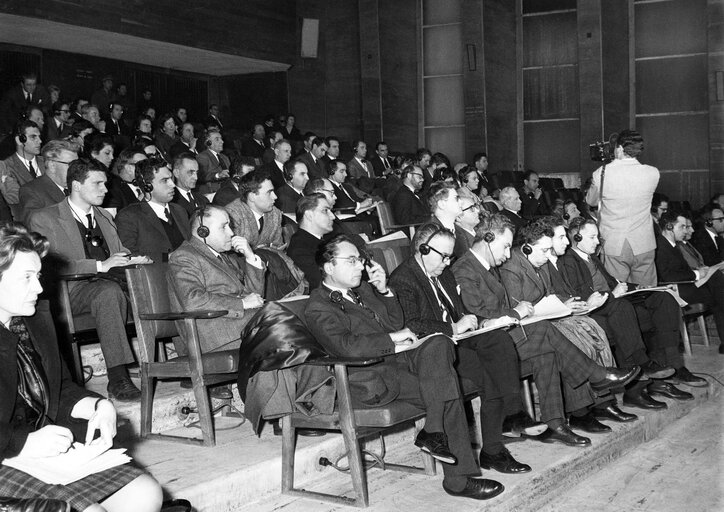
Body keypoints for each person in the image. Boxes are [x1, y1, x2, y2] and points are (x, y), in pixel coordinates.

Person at [305, 234, 505, 500]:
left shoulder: (363, 290)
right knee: (446, 389)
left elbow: (396, 321)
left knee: (438, 342)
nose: (360, 267)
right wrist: (391, 339)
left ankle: (433, 431)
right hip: (368, 378)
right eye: (351, 261)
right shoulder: (317, 305)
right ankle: (457, 478)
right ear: (329, 267)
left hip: (398, 362)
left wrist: (385, 291)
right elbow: (346, 347)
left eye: (360, 260)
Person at [0, 223, 163, 512]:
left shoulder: (33, 320)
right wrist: (20, 443)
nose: (38, 287)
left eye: (37, 276)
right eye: (26, 277)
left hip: (39, 453)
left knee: (146, 493)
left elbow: (58, 388)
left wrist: (99, 406)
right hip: (7, 455)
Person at [452, 214, 638, 440]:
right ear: (489, 238)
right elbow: (480, 314)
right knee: (543, 330)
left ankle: (556, 423)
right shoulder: (465, 268)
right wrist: (515, 312)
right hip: (491, 345)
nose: (509, 254)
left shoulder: (487, 265)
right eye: (506, 246)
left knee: (547, 353)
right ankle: (596, 375)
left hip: (508, 334)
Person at [390, 224, 545, 468]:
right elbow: (412, 324)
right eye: (443, 256)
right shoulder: (403, 279)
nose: (448, 262)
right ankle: (498, 441)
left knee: (498, 339)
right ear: (423, 249)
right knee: (489, 376)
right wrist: (453, 328)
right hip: (431, 352)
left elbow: (460, 313)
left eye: (450, 256)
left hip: (458, 341)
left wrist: (485, 322)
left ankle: (511, 419)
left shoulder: (444, 273)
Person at [29, 158, 151, 400]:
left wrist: (133, 259)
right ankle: (118, 378)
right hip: (70, 291)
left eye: (105, 183)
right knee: (107, 292)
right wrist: (100, 265)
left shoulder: (104, 216)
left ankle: (182, 363)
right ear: (76, 185)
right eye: (98, 184)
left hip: (111, 284)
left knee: (158, 284)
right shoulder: (45, 218)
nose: (106, 190)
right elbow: (48, 265)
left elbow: (119, 250)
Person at [560, 218, 695, 401]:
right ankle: (641, 370)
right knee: (625, 310)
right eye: (592, 237)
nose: (598, 242)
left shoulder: (591, 257)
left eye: (597, 237)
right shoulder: (569, 261)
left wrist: (639, 287)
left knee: (663, 299)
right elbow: (582, 296)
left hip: (612, 301)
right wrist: (613, 294)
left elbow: (612, 282)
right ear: (577, 237)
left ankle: (671, 366)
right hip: (597, 308)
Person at [167, 205, 265, 353]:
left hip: (240, 327)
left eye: (230, 226)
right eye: (224, 227)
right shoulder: (184, 256)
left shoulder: (225, 258)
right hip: (216, 338)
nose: (231, 233)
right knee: (283, 323)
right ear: (203, 231)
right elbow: (192, 301)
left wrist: (250, 257)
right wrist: (242, 303)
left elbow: (255, 297)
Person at [586, 130, 659, 286]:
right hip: (644, 243)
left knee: (620, 293)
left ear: (619, 148)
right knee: (648, 293)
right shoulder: (653, 173)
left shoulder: (602, 173)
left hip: (615, 244)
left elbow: (591, 201)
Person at [656, 211, 724, 355]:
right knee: (718, 284)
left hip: (688, 285)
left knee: (717, 283)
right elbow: (667, 275)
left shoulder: (673, 245)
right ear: (669, 227)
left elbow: (681, 269)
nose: (686, 231)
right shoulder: (660, 246)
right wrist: (697, 274)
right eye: (682, 227)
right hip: (678, 291)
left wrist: (698, 271)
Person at [115, 158, 191, 264]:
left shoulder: (180, 211)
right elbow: (128, 255)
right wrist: (167, 257)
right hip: (156, 276)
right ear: (147, 186)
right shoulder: (129, 216)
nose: (173, 184)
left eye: (171, 179)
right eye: (165, 180)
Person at [18, 140, 78, 224]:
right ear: (52, 165)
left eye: (78, 165)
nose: (77, 169)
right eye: (72, 165)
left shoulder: (79, 187)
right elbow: (35, 225)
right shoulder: (31, 191)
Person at [286, 193, 336, 289]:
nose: (332, 216)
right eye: (325, 211)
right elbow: (321, 285)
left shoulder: (319, 241)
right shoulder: (300, 249)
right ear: (309, 215)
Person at [0, 121, 45, 216]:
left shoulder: (47, 162)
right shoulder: (6, 166)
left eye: (39, 136)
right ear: (20, 140)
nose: (40, 141)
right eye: (33, 137)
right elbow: (14, 198)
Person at [171, 152, 208, 217]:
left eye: (196, 172)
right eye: (191, 172)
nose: (196, 177)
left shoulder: (203, 199)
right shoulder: (171, 202)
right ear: (176, 173)